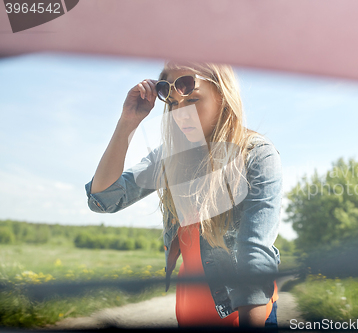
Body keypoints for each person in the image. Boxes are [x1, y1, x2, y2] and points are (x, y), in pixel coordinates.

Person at [84, 62, 282, 328]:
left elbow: (254, 254)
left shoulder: (256, 155)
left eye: (193, 100)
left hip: (248, 316)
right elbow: (104, 199)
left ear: (222, 96)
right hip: (190, 313)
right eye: (174, 104)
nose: (181, 114)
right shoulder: (171, 157)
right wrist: (128, 122)